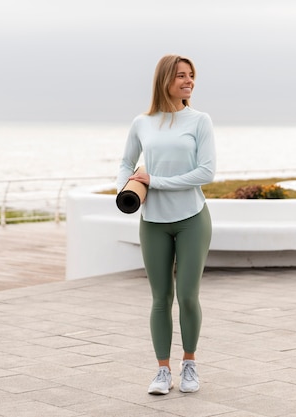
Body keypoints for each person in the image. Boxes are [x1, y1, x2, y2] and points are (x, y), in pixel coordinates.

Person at [116, 54, 216, 395]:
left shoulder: (200, 120)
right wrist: (127, 190)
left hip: (192, 219)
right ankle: (162, 371)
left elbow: (206, 173)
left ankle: (189, 364)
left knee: (188, 296)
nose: (188, 81)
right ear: (164, 81)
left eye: (191, 76)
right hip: (153, 221)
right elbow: (126, 162)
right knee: (160, 299)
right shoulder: (142, 123)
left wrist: (154, 181)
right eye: (180, 76)